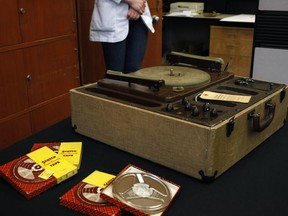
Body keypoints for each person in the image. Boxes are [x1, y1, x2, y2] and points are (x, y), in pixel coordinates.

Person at [89, 0, 155, 74]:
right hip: (112, 14)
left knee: (134, 72)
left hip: (139, 17)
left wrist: (138, 5)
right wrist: (132, 1)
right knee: (115, 73)